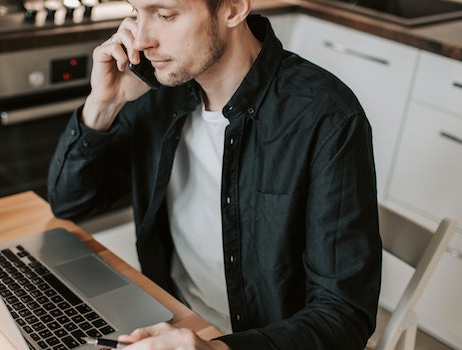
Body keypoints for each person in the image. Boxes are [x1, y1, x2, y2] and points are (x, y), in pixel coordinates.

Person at [47, 0, 382, 348]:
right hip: (168, 319)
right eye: (136, 13)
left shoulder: (326, 116)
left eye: (164, 15)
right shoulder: (155, 88)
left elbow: (344, 315)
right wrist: (103, 104)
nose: (142, 40)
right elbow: (71, 204)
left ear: (234, 9)